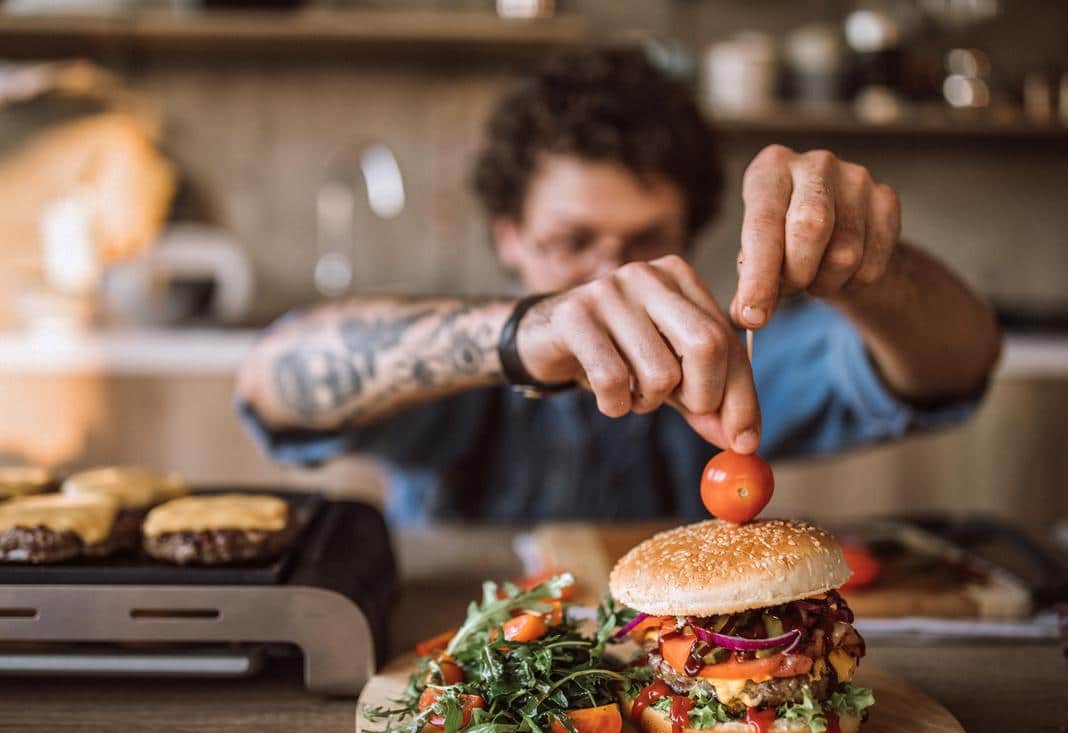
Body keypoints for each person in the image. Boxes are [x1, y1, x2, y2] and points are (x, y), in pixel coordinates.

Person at [235, 49, 1000, 528]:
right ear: (510, 237)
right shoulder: (453, 372)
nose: (610, 277)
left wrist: (869, 269)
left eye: (645, 242)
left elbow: (955, 368)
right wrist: (520, 337)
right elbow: (273, 382)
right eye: (572, 243)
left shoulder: (735, 350)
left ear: (692, 232)